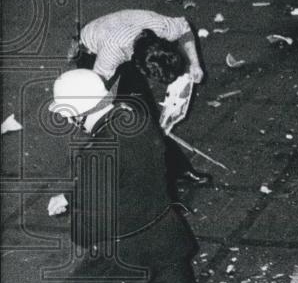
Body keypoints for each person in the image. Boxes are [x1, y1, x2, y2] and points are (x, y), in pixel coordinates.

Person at [46, 68, 249, 283]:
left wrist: (80, 219)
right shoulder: (138, 121)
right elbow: (132, 176)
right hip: (163, 240)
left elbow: (91, 227)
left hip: (119, 258)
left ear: (75, 113)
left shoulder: (95, 154)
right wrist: (74, 195)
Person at [72, 10, 211, 186]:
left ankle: (177, 169)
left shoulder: (161, 26)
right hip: (93, 53)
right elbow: (97, 88)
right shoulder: (112, 52)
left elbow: (184, 29)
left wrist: (195, 64)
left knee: (148, 116)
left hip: (123, 38)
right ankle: (121, 175)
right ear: (138, 65)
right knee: (128, 120)